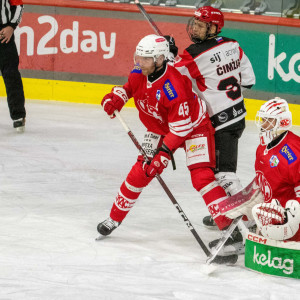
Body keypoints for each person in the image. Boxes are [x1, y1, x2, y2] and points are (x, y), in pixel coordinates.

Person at [97, 34, 234, 236]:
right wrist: (117, 98)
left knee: (202, 177)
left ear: (159, 59)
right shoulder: (138, 71)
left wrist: (163, 155)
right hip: (161, 128)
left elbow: (181, 129)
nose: (139, 63)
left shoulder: (174, 87)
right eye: (138, 57)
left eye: (145, 59)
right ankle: (114, 218)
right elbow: (128, 88)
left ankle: (229, 230)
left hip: (194, 128)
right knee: (140, 171)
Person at [174, 6, 256, 228]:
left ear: (213, 27)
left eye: (201, 25)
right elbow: (249, 80)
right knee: (225, 171)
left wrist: (171, 55)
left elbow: (170, 76)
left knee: (224, 175)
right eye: (196, 23)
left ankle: (248, 221)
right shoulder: (233, 44)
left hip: (219, 124)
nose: (195, 28)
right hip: (238, 117)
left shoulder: (193, 54)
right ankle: (229, 210)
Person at [223, 97, 300, 245]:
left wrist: (290, 218)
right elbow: (263, 181)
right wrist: (246, 203)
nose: (262, 124)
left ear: (282, 122)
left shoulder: (294, 153)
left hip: (291, 219)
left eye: (268, 120)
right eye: (263, 119)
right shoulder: (263, 147)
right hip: (273, 213)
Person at [0, 0, 26, 132]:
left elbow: (18, 5)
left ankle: (18, 116)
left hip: (3, 34)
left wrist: (11, 26)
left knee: (11, 75)